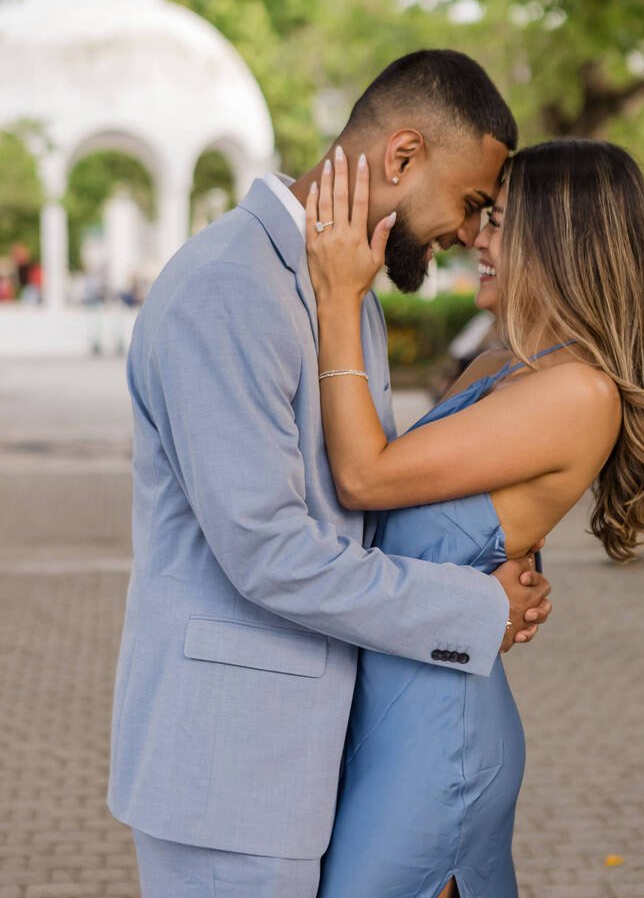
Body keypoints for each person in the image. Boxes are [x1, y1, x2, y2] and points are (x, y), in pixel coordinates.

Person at [107, 50, 553, 897]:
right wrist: (469, 609)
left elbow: (357, 506)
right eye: (467, 203)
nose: (468, 233)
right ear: (401, 156)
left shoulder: (346, 294)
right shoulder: (229, 287)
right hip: (231, 779)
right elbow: (267, 551)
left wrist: (489, 568)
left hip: (308, 768)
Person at [305, 138, 644, 898]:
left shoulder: (577, 393)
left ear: (557, 240)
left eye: (499, 222)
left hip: (439, 739)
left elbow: (364, 476)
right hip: (390, 713)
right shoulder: (502, 366)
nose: (477, 238)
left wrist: (340, 298)